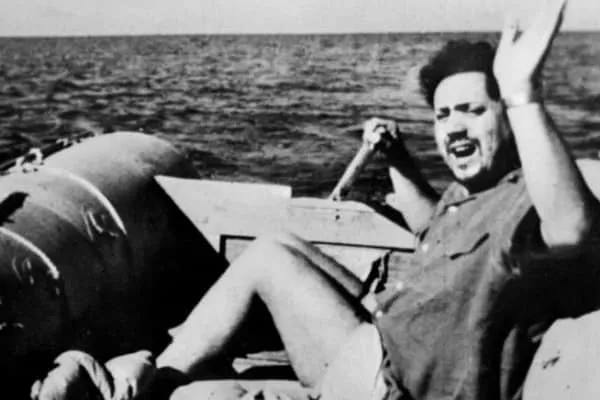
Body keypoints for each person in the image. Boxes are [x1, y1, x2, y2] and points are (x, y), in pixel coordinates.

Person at [31, 0, 600, 399]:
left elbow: (573, 229)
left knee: (207, 368)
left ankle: (136, 383)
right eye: (443, 114)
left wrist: (524, 92)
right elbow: (434, 231)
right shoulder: (474, 192)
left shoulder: (531, 202)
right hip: (382, 334)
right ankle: (149, 372)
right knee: (273, 247)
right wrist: (399, 158)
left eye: (473, 111)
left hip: (385, 384)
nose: (452, 127)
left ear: (510, 117)